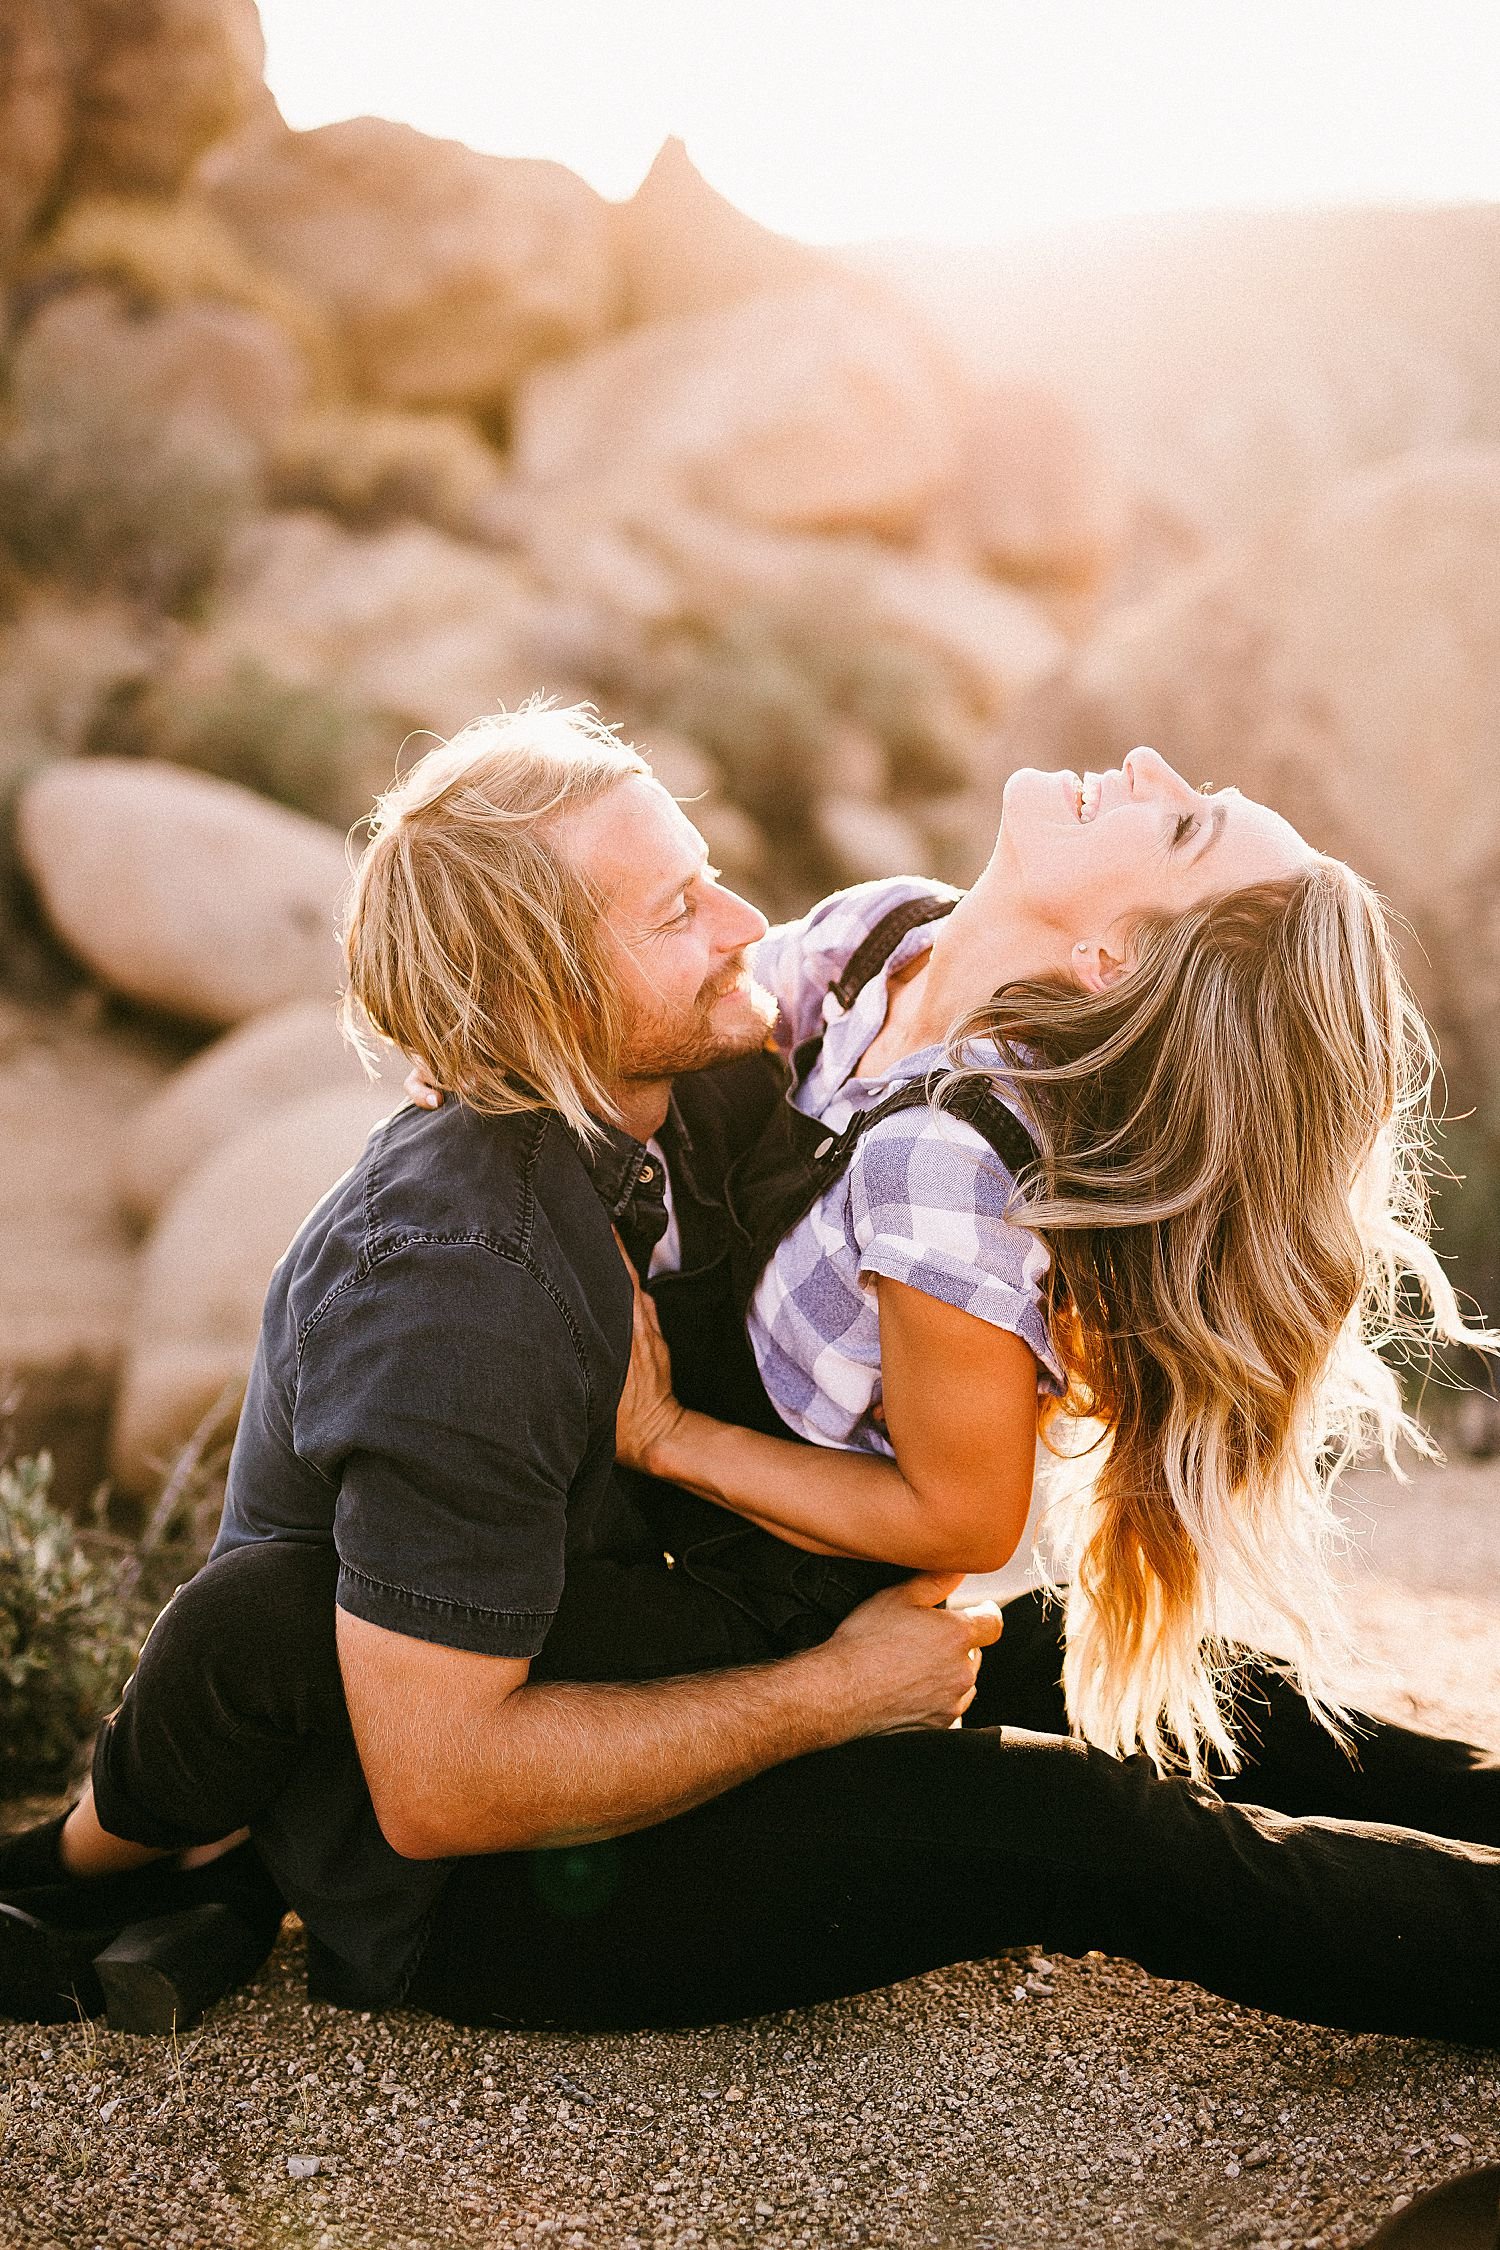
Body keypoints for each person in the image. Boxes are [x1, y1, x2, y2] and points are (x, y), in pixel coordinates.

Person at [4, 706, 1499, 2046]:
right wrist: (829, 1695)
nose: (741, 925)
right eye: (677, 908)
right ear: (553, 987)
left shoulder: (728, 1062)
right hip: (503, 1894)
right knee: (1084, 1821)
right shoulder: (466, 1284)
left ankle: (194, 1867)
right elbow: (444, 1782)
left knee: (1156, 1676)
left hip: (632, 1610)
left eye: (710, 873)